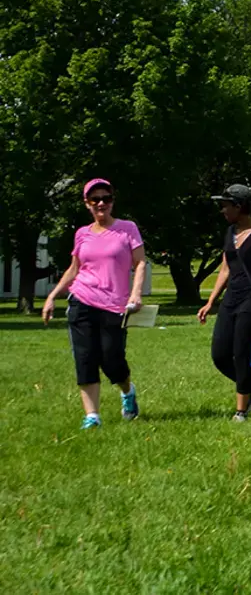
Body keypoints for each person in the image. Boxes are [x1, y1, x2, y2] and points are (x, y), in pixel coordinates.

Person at [41, 179, 148, 429]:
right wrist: (52, 296)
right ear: (87, 203)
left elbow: (140, 263)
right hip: (82, 300)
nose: (101, 203)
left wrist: (136, 294)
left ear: (112, 202)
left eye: (106, 198)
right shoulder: (82, 233)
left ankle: (127, 391)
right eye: (95, 199)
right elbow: (75, 268)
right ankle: (92, 416)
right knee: (85, 357)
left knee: (113, 360)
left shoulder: (127, 229)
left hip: (114, 305)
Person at [198, 184, 251, 421]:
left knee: (240, 351)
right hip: (231, 299)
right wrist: (210, 301)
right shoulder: (230, 233)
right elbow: (225, 269)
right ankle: (250, 386)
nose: (222, 210)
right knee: (220, 355)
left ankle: (241, 410)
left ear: (239, 206)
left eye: (225, 205)